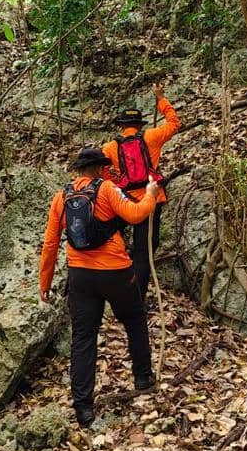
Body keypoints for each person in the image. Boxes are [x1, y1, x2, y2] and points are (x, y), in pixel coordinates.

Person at [38, 147, 161, 427]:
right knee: (134, 319)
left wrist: (45, 282)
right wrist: (151, 195)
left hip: (80, 275)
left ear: (79, 169)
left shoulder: (61, 197)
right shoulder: (106, 189)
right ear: (99, 169)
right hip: (115, 271)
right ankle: (143, 377)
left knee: (83, 337)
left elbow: (50, 243)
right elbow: (136, 214)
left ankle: (83, 408)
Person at [101, 83, 180, 302]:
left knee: (120, 241)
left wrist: (117, 182)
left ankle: (117, 283)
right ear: (139, 124)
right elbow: (174, 123)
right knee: (144, 252)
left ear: (122, 126)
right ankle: (137, 299)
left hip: (125, 202)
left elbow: (102, 170)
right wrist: (161, 98)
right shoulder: (152, 137)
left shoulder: (110, 148)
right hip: (151, 198)